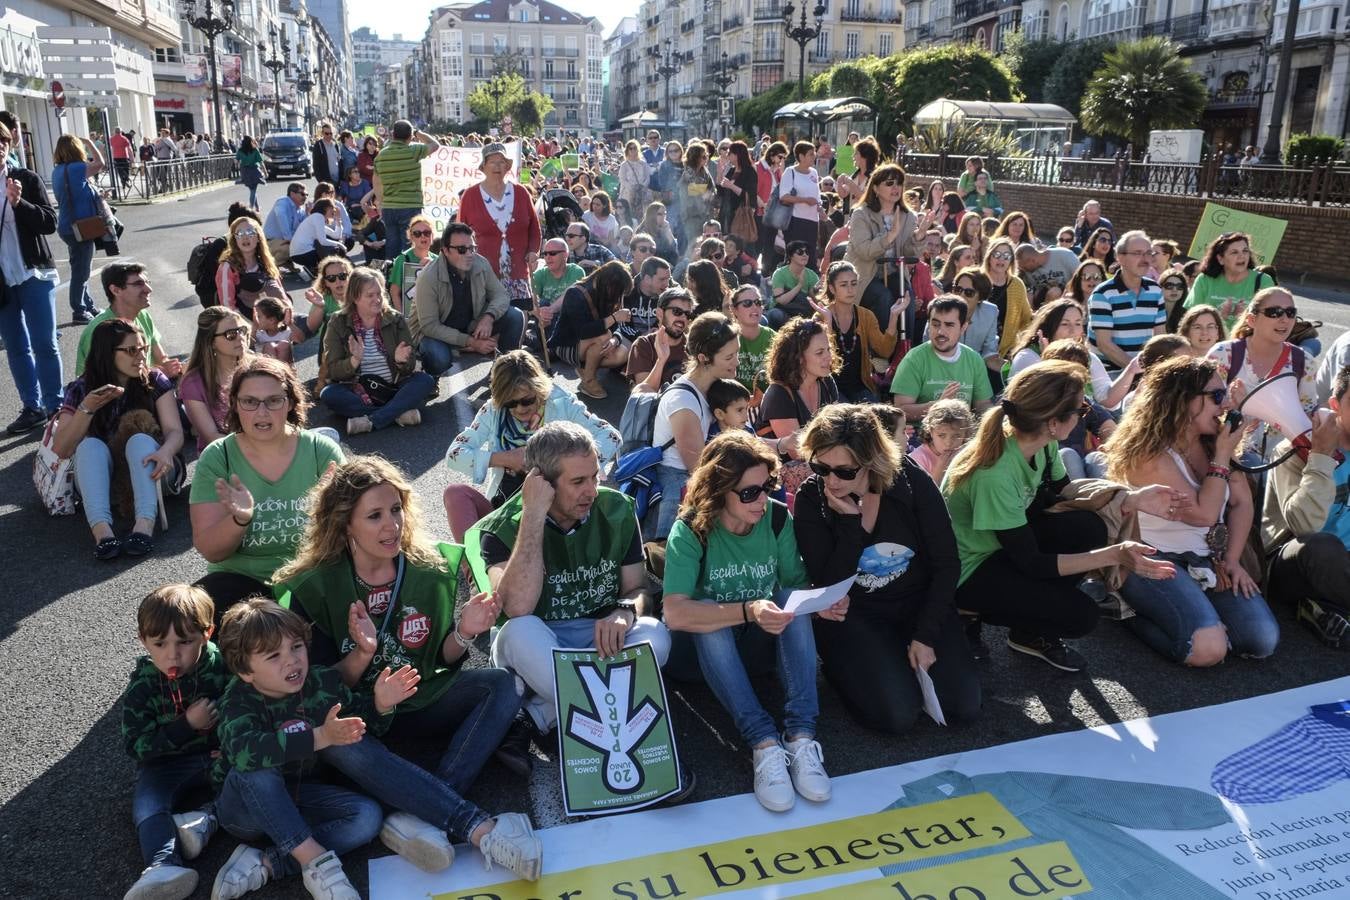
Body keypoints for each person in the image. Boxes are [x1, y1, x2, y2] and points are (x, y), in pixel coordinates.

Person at [209, 598, 541, 900]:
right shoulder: (237, 700)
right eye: (273, 656)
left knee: (366, 816)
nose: (292, 661)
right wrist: (322, 736)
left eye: (296, 647)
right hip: (245, 811)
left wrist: (380, 706)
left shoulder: (320, 682)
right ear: (244, 671)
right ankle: (318, 864)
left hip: (302, 796)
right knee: (260, 769)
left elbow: (363, 725)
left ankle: (268, 862)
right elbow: (245, 753)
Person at [274, 456, 527, 785]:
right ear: (344, 523)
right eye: (374, 516)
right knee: (331, 732)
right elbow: (317, 685)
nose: (392, 525)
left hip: (418, 700)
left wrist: (465, 631)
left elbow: (438, 660)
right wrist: (363, 655)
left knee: (504, 684)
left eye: (396, 509)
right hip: (359, 708)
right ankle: (428, 800)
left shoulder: (430, 569)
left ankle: (443, 790)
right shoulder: (313, 586)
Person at [944, 360, 1179, 671]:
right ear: (1054, 422)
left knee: (1087, 527)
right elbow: (1033, 563)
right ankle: (965, 612)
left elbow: (1067, 499)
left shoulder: (1040, 442)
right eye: (1081, 411)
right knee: (1079, 615)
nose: (1086, 416)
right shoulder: (995, 473)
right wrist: (1113, 555)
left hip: (1004, 547)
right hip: (967, 570)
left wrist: (1130, 498)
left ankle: (1028, 629)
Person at [467, 423, 673, 747]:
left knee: (655, 634)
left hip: (599, 639)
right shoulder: (501, 527)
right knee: (517, 632)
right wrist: (533, 514)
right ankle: (614, 712)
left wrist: (625, 611)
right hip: (542, 643)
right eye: (578, 481)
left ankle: (540, 715)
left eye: (594, 476)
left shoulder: (616, 508)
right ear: (541, 483)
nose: (591, 490)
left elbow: (638, 588)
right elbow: (517, 608)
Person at [662, 431, 833, 812]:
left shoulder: (775, 518)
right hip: (699, 657)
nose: (762, 499)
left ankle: (801, 735)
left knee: (791, 599)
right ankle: (763, 743)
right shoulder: (691, 528)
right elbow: (674, 612)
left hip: (758, 645)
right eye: (749, 492)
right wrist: (747, 609)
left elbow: (794, 585)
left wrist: (821, 604)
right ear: (720, 488)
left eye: (767, 486)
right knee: (706, 608)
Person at [794, 403, 981, 733]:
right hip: (857, 613)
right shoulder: (813, 497)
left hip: (916, 602)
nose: (831, 480)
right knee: (898, 717)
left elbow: (947, 563)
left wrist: (925, 634)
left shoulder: (911, 483)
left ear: (871, 462)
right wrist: (852, 525)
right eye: (821, 467)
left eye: (845, 471)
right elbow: (830, 584)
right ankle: (850, 668)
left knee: (963, 707)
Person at [1106, 356, 1278, 665]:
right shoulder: (1149, 454)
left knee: (1261, 640)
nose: (1225, 404)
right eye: (1215, 396)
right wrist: (1223, 457)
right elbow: (1203, 515)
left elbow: (1241, 502)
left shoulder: (1212, 442)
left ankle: (1200, 617)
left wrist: (1232, 560)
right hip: (1152, 558)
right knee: (1207, 651)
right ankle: (1123, 610)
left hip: (1206, 559)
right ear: (1183, 401)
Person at [190, 356, 345, 617]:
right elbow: (211, 550)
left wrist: (330, 510)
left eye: (274, 400)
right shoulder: (218, 456)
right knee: (193, 617)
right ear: (235, 405)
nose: (262, 412)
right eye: (250, 402)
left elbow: (352, 534)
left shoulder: (321, 451)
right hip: (239, 580)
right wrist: (240, 520)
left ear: (291, 402)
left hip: (310, 573)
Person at [119, 584, 230, 900]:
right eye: (159, 643)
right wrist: (184, 727)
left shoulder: (221, 665)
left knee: (253, 777)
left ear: (207, 633)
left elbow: (243, 700)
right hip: (167, 762)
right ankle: (162, 864)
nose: (172, 654)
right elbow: (135, 744)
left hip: (219, 753)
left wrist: (229, 732)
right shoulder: (143, 687)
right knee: (148, 803)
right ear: (143, 641)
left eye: (185, 641)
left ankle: (204, 819)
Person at [445, 351, 620, 540]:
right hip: (506, 505)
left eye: (527, 400)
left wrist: (564, 466)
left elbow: (611, 436)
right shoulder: (493, 410)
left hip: (555, 508)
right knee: (455, 493)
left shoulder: (562, 403)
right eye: (510, 403)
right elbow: (455, 454)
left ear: (540, 389)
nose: (520, 408)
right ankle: (471, 565)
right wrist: (506, 459)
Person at [51, 319, 183, 559]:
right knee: (90, 445)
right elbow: (61, 448)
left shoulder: (154, 380)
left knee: (140, 441)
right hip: (105, 483)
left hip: (155, 472)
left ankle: (144, 526)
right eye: (131, 350)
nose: (141, 357)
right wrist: (86, 408)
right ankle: (103, 533)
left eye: (143, 348)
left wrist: (166, 451)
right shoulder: (81, 388)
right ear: (107, 352)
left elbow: (174, 431)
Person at [1264, 364, 1350, 646]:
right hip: (1296, 560)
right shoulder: (1293, 449)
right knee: (1322, 547)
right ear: (1335, 405)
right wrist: (1321, 456)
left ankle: (1321, 609)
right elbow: (1304, 525)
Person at [650, 312, 743, 539]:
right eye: (729, 357)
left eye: (737, 353)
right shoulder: (683, 402)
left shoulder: (713, 386)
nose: (737, 362)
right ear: (703, 358)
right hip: (675, 481)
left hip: (697, 471)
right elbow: (697, 467)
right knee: (670, 552)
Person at [0, 120, 62, 435]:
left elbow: (50, 222)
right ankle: (32, 406)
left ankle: (56, 406)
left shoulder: (25, 178)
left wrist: (19, 203)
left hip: (34, 273)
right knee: (16, 346)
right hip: (3, 282)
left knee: (44, 343)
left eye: (2, 141)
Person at [320, 266, 435, 435]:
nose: (377, 299)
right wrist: (354, 360)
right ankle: (397, 414)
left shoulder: (395, 319)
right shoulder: (338, 322)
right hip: (358, 390)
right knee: (329, 394)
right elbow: (333, 371)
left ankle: (372, 420)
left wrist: (400, 361)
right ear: (355, 297)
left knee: (425, 381)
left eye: (379, 293)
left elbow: (409, 367)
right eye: (370, 295)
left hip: (393, 387)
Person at [1207, 287, 1317, 462]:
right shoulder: (1223, 354)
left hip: (1280, 462)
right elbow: (1202, 408)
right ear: (1252, 319)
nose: (1284, 319)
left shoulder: (1304, 363)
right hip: (1227, 457)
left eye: (1290, 312)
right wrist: (1236, 406)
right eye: (1274, 312)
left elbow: (1308, 418)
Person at [410, 222, 525, 378]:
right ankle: (430, 377)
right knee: (438, 357)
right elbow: (429, 326)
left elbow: (501, 295)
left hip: (469, 324)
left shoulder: (481, 263)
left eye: (472, 248)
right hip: (435, 333)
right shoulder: (428, 277)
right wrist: (471, 342)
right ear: (445, 251)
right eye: (462, 250)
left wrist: (489, 317)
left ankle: (503, 373)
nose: (469, 254)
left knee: (515, 315)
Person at [845, 163, 930, 327]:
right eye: (889, 183)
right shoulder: (861, 214)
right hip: (865, 275)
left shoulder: (908, 216)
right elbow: (864, 252)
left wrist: (918, 237)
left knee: (907, 297)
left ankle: (905, 348)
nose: (895, 187)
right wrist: (889, 235)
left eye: (899, 183)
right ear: (875, 188)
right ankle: (883, 348)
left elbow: (908, 254)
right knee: (884, 297)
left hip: (894, 274)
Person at [1007, 298, 1132, 409]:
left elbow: (1107, 399)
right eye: (1065, 324)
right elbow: (1040, 401)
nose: (1073, 331)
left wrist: (1132, 369)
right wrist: (1048, 362)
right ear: (1049, 327)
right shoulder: (1028, 356)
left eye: (1078, 324)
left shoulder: (1087, 357)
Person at [458, 142, 541, 305]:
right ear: (484, 166)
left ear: (507, 166)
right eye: (492, 162)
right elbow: (459, 233)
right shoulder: (470, 195)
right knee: (490, 324)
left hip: (518, 277)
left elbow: (534, 228)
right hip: (484, 276)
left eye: (502, 162)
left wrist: (533, 251)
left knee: (520, 322)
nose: (497, 166)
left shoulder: (521, 192)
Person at [814, 260, 905, 403]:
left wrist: (893, 316)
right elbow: (819, 358)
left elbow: (885, 350)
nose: (850, 290)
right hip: (830, 387)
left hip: (861, 386)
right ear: (832, 288)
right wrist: (828, 324)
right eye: (844, 285)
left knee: (874, 418)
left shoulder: (865, 315)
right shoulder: (822, 315)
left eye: (854, 283)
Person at [892, 296, 994, 420]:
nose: (941, 331)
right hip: (922, 435)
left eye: (949, 325)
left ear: (963, 327)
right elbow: (900, 411)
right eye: (935, 324)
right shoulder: (914, 359)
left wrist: (996, 415)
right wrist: (937, 406)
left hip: (962, 434)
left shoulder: (974, 359)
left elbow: (982, 405)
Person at [74, 263, 180, 378]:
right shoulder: (99, 330)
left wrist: (174, 368)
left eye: (147, 282)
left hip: (145, 386)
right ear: (116, 290)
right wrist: (157, 373)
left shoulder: (143, 315)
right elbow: (105, 382)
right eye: (138, 284)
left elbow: (161, 359)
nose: (149, 289)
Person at [546, 260, 632, 400]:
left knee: (622, 353)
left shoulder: (608, 294)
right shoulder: (575, 293)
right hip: (568, 345)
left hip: (594, 344)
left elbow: (615, 328)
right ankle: (589, 380)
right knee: (603, 337)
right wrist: (614, 318)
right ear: (607, 283)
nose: (617, 297)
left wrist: (614, 340)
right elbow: (583, 331)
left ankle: (585, 370)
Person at [1089, 230, 1166, 369]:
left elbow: (1159, 337)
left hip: (1144, 371)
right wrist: (1139, 371)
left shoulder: (1155, 290)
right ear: (1120, 257)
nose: (1145, 259)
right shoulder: (1103, 294)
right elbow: (1105, 345)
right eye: (1137, 253)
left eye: (1149, 253)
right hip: (1109, 374)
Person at [51, 134, 106, 323]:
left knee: (81, 266)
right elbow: (100, 163)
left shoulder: (58, 170)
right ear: (77, 149)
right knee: (81, 271)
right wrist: (90, 142)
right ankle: (79, 310)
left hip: (67, 225)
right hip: (80, 227)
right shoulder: (77, 168)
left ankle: (87, 305)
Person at [180, 307, 251, 453]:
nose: (240, 337)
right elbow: (212, 437)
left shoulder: (258, 368)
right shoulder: (193, 382)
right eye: (230, 334)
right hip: (221, 456)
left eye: (241, 330)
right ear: (211, 342)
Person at [372, 120, 440, 261]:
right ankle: (408, 279)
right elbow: (435, 145)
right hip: (410, 206)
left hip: (389, 207)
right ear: (410, 136)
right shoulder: (414, 151)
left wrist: (381, 202)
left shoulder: (381, 156)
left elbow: (377, 183)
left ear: (392, 135)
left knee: (391, 246)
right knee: (409, 247)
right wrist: (418, 132)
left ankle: (391, 277)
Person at [1184, 232, 1276, 334]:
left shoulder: (1263, 281)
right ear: (1221, 259)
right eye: (1234, 252)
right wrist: (1219, 317)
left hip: (1246, 343)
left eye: (1245, 251)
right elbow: (1191, 319)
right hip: (1210, 342)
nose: (1242, 256)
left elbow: (1271, 321)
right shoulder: (1205, 279)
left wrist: (1244, 319)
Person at [214, 217, 289, 325]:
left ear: (258, 237)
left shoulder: (265, 262)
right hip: (250, 325)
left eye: (250, 232)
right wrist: (252, 329)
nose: (245, 237)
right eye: (239, 233)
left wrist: (287, 316)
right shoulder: (227, 267)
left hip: (279, 321)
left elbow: (282, 293)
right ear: (235, 239)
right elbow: (228, 307)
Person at [627, 287, 693, 393]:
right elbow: (643, 396)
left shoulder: (693, 347)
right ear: (660, 313)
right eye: (677, 311)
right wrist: (661, 361)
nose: (683, 318)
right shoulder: (644, 345)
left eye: (688, 314)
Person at [980, 237, 1031, 361]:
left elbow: (1026, 319)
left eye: (1006, 256)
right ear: (989, 256)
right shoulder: (978, 279)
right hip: (975, 346)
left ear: (1011, 260)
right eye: (997, 254)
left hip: (1002, 351)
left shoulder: (1017, 284)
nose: (1001, 259)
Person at [778, 141, 822, 272]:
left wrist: (820, 208)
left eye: (814, 153)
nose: (814, 156)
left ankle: (809, 285)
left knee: (810, 255)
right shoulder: (790, 172)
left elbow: (817, 196)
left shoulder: (813, 172)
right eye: (810, 154)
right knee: (796, 255)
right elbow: (783, 196)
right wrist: (804, 200)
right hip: (795, 221)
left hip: (813, 221)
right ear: (801, 156)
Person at [911, 399, 975, 484]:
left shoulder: (968, 454)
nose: (948, 443)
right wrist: (940, 469)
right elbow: (925, 495)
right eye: (941, 435)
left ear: (966, 434)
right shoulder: (918, 459)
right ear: (930, 431)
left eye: (956, 436)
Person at [387, 214, 436, 314]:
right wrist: (402, 319)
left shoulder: (438, 260)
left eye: (427, 233)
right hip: (409, 317)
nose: (422, 236)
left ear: (432, 236)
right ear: (411, 237)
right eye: (417, 233)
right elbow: (394, 293)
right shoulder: (403, 259)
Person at [617, 254, 670, 344]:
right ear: (647, 279)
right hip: (630, 339)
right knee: (619, 353)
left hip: (657, 339)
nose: (667, 284)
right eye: (662, 279)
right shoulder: (627, 293)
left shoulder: (667, 295)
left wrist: (657, 330)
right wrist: (641, 335)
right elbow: (621, 326)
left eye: (668, 279)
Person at [531, 237, 584, 327]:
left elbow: (568, 296)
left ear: (565, 255)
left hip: (568, 321)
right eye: (545, 254)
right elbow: (531, 301)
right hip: (545, 321)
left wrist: (550, 310)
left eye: (553, 253)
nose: (548, 257)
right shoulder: (539, 274)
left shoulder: (576, 271)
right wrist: (539, 312)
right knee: (542, 304)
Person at [768, 241, 819, 328]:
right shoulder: (780, 273)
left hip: (803, 312)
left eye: (807, 252)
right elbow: (781, 300)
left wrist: (818, 290)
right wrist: (799, 285)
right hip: (783, 310)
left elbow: (815, 301)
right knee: (775, 314)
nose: (805, 255)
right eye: (800, 252)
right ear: (790, 255)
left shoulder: (812, 275)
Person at [262, 183, 309, 272]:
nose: (305, 197)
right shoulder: (283, 202)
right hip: (270, 242)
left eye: (306, 194)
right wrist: (291, 240)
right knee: (292, 247)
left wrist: (308, 213)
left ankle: (285, 262)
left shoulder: (300, 209)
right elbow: (281, 216)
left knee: (300, 245)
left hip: (284, 241)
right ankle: (270, 266)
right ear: (292, 194)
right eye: (302, 194)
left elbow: (304, 228)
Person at [1016, 242, 1080, 302]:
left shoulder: (1065, 255)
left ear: (1033, 261)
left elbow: (1082, 276)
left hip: (1068, 296)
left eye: (1024, 267)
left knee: (1055, 292)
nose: (1023, 270)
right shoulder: (1026, 272)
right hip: (1043, 299)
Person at [618, 140, 650, 217]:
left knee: (641, 215)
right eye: (630, 148)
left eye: (635, 148)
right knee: (628, 215)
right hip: (628, 194)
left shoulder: (643, 163)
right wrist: (632, 188)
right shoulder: (624, 165)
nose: (633, 150)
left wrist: (642, 187)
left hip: (642, 193)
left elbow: (647, 177)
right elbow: (622, 179)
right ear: (627, 150)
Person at [235, 136, 266, 210]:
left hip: (244, 171)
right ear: (251, 142)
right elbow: (261, 162)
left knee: (252, 190)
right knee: (253, 190)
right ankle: (251, 208)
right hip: (254, 170)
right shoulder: (255, 150)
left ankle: (257, 207)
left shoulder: (240, 150)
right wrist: (265, 171)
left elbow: (236, 161)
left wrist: (238, 166)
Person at [310, 124, 342, 190]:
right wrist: (321, 181)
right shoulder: (318, 145)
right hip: (326, 181)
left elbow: (339, 160)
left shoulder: (335, 144)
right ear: (322, 133)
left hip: (337, 181)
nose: (329, 135)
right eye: (327, 133)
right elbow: (316, 165)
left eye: (331, 133)